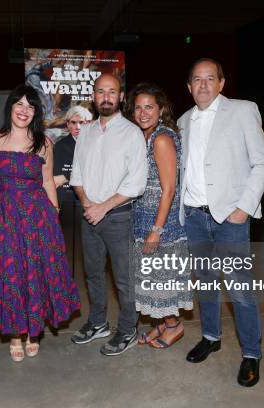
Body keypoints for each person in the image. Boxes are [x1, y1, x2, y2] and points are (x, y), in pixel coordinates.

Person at [177, 58, 264, 387]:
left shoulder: (243, 111)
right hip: (194, 216)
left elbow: (262, 163)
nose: (203, 85)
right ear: (189, 87)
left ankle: (251, 354)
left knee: (239, 287)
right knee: (204, 281)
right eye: (197, 80)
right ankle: (211, 336)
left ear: (221, 83)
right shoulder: (182, 121)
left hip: (230, 217)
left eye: (209, 79)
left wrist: (243, 208)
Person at [0, 84, 81, 362]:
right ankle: (15, 333)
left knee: (34, 272)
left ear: (35, 112)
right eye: (19, 104)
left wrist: (55, 217)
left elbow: (48, 181)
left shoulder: (43, 143)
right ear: (10, 108)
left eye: (30, 106)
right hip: (4, 219)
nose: (24, 111)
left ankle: (31, 332)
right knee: (10, 273)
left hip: (37, 218)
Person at [69, 73, 148, 356]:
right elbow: (76, 175)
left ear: (121, 97)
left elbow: (136, 183)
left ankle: (127, 329)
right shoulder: (86, 131)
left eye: (111, 92)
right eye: (100, 91)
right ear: (93, 97)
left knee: (124, 278)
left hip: (118, 218)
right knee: (92, 274)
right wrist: (88, 203)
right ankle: (99, 322)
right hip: (89, 215)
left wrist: (104, 206)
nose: (106, 97)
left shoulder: (132, 133)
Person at [123, 82, 193, 349]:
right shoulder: (146, 136)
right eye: (138, 107)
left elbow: (169, 189)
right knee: (152, 279)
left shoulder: (162, 139)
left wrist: (157, 230)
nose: (143, 113)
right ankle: (161, 323)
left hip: (162, 224)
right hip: (143, 219)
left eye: (149, 107)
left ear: (161, 110)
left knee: (162, 279)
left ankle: (174, 326)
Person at [53, 105, 93, 202]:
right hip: (66, 198)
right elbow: (56, 180)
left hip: (92, 197)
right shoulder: (59, 146)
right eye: (73, 122)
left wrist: (66, 175)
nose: (78, 127)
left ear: (88, 123)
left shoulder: (97, 144)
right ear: (67, 124)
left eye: (81, 122)